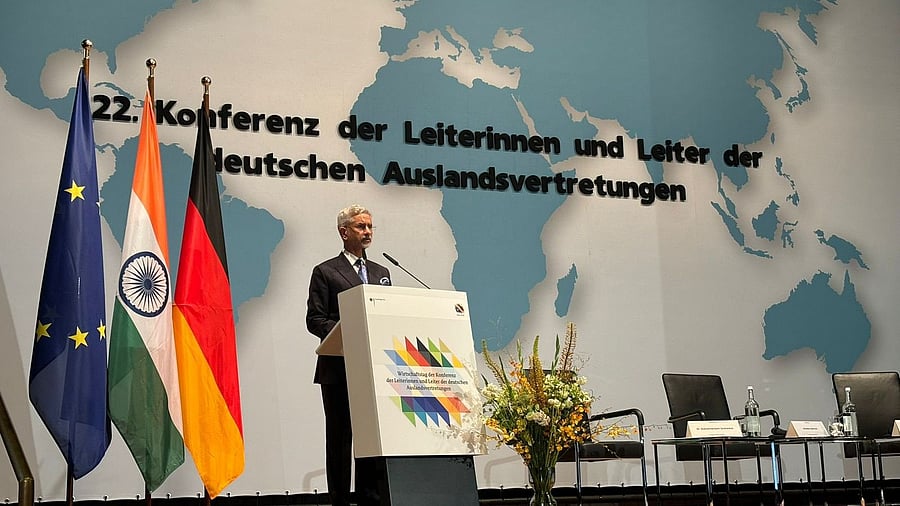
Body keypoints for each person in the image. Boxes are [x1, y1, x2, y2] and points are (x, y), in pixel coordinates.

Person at [306, 204, 391, 506]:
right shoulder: (326, 272)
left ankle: (371, 498)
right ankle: (340, 500)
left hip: (373, 370)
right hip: (338, 369)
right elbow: (315, 319)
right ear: (344, 232)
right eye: (360, 227)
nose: (367, 232)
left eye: (370, 227)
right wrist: (350, 330)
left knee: (372, 439)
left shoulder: (382, 273)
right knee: (341, 440)